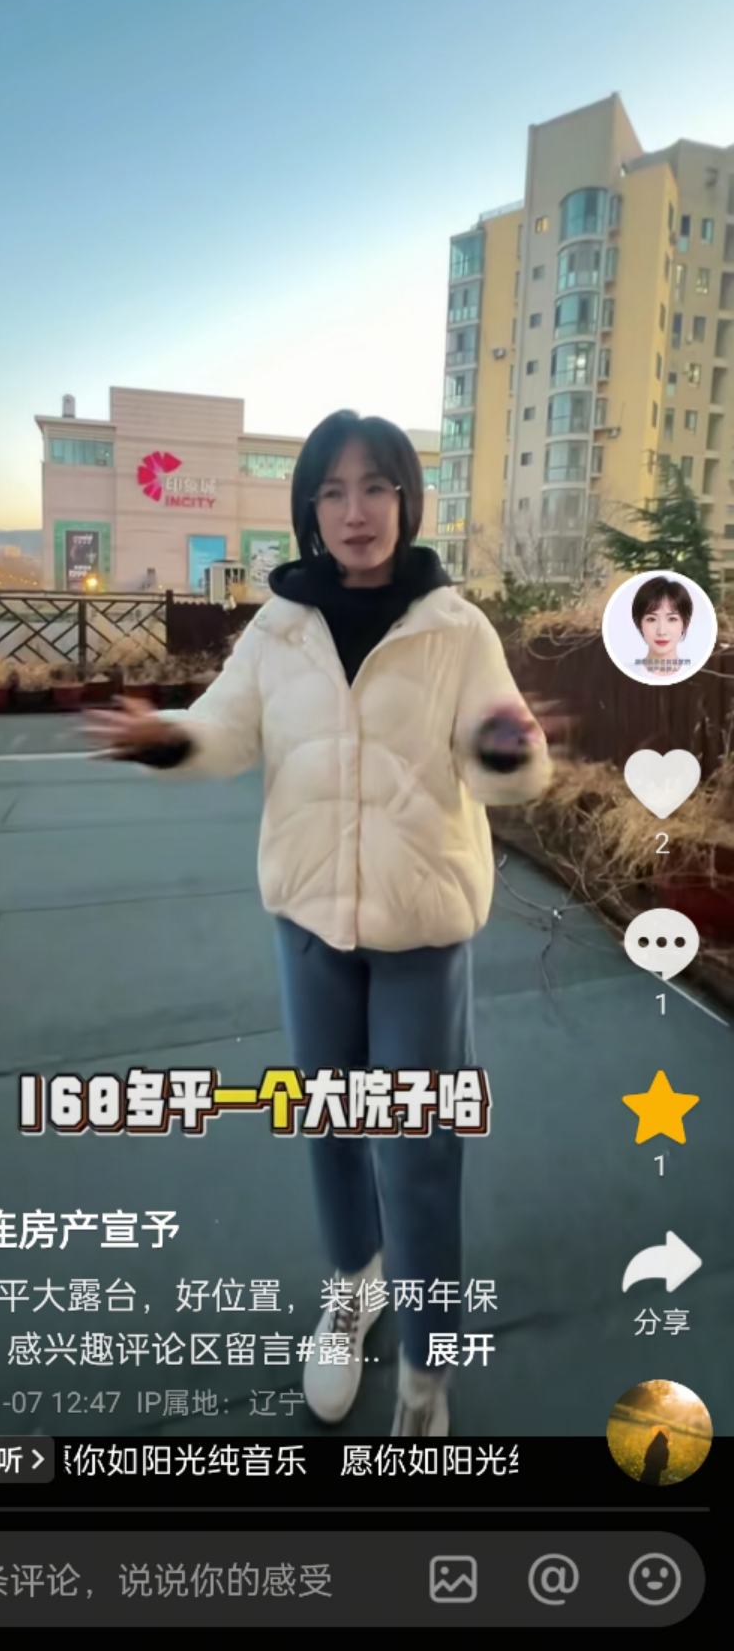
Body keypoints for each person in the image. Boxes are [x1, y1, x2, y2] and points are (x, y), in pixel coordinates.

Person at [85, 410, 567, 1438]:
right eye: (335, 491)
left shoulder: (456, 628)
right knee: (332, 1122)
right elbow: (224, 730)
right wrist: (162, 736)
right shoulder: (280, 627)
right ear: (310, 508)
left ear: (405, 501)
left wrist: (510, 747)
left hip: (420, 927)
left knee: (420, 1144)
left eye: (376, 487)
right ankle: (354, 1287)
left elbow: (500, 761)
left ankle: (428, 1370)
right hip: (309, 919)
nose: (357, 511)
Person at [630, 575, 693, 679]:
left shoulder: (700, 677)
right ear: (639, 623)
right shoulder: (623, 675)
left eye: (672, 619)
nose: (661, 631)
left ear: (685, 623)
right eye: (651, 619)